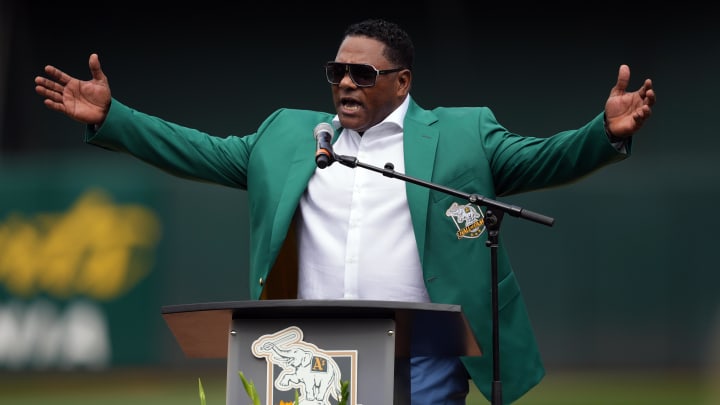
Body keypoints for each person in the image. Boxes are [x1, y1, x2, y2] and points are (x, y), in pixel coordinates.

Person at [34, 18, 655, 405]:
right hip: (311, 352)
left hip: (426, 354)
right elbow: (197, 152)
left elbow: (545, 159)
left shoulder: (463, 136)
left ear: (403, 81)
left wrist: (603, 133)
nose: (346, 84)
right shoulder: (288, 137)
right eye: (338, 72)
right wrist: (115, 119)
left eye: (363, 73)